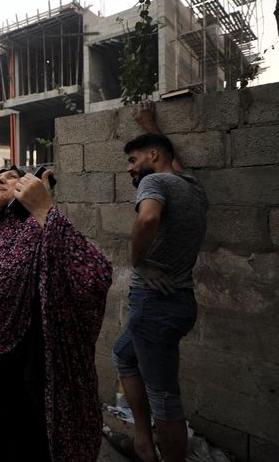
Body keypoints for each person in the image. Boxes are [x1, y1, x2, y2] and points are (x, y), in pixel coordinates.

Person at [0, 167, 112, 461]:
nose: (0, 181)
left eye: (10, 176)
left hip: (41, 376)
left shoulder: (43, 228)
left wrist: (44, 207)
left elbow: (95, 275)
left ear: (27, 185)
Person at [112, 102, 208, 462]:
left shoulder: (154, 182)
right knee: (122, 355)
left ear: (152, 156)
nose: (130, 169)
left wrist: (139, 261)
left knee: (164, 395)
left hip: (154, 305)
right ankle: (142, 440)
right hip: (179, 303)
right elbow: (171, 159)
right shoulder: (191, 184)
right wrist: (150, 124)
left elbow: (148, 219)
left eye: (133, 161)